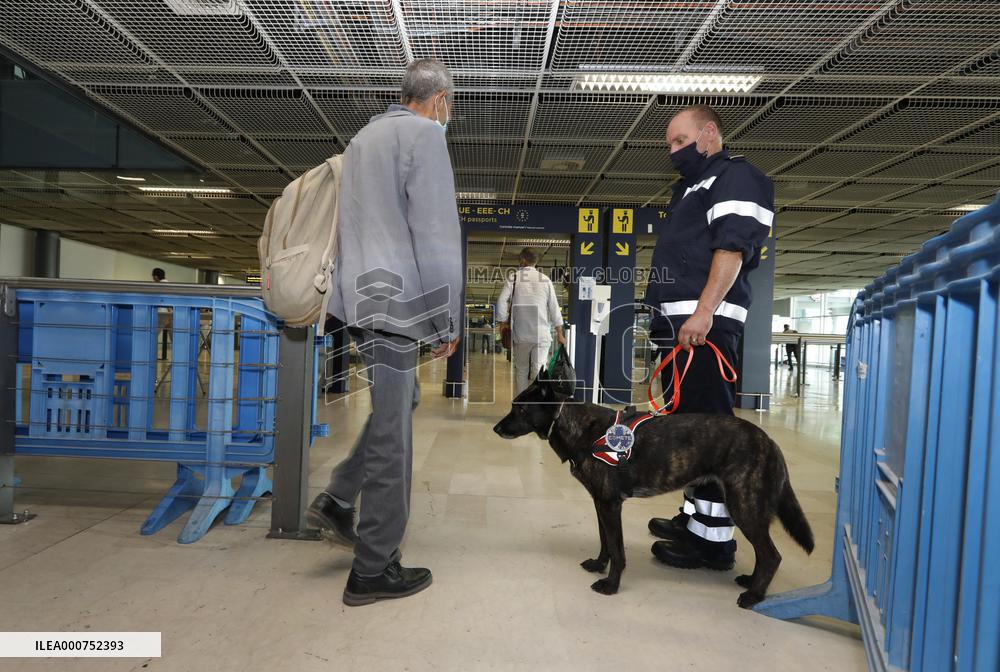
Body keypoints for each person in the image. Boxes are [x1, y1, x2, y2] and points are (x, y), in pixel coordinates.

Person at [306, 58, 463, 606]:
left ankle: (337, 498)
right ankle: (373, 566)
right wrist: (447, 318)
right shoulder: (424, 136)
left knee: (404, 399)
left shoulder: (363, 139)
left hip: (358, 301)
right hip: (395, 306)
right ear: (438, 100)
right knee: (394, 435)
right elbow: (435, 233)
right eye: (448, 105)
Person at [643, 104, 774, 570]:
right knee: (688, 434)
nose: (674, 151)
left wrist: (703, 313)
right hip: (681, 330)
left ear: (710, 132)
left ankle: (714, 542)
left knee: (711, 437)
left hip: (704, 330)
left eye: (680, 141)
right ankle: (695, 518)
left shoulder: (736, 177)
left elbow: (732, 248)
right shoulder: (691, 187)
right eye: (670, 145)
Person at [496, 248, 566, 395]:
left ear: (523, 260)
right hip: (541, 334)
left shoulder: (514, 277)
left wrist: (502, 322)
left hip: (521, 334)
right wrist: (560, 333)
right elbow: (554, 308)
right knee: (539, 370)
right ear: (535, 261)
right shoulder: (545, 280)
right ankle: (537, 403)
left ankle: (521, 404)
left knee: (521, 370)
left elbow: (502, 300)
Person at [151, 268, 170, 360]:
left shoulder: (158, 286)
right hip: (170, 313)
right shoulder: (169, 284)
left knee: (152, 335)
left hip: (161, 313)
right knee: (174, 337)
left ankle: (151, 355)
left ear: (156, 277)